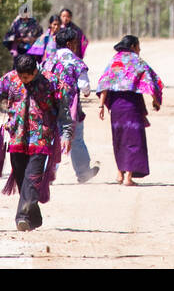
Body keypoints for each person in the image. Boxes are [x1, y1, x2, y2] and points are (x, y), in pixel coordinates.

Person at [0, 52, 73, 231]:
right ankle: (34, 216)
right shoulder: (11, 78)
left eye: (27, 77)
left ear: (35, 70)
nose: (24, 80)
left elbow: (64, 111)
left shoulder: (51, 81)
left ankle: (22, 217)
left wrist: (67, 134)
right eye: (21, 76)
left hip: (41, 138)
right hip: (16, 136)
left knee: (32, 178)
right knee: (21, 178)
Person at [96, 34, 163, 186]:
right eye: (138, 46)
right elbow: (151, 83)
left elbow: (104, 83)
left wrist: (101, 105)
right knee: (133, 140)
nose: (139, 50)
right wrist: (156, 100)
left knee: (119, 139)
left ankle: (120, 174)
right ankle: (128, 178)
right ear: (133, 46)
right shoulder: (137, 61)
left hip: (116, 107)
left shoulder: (114, 61)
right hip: (132, 106)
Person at [44, 25, 99, 183]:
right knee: (76, 139)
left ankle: (47, 175)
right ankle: (83, 173)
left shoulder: (48, 62)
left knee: (52, 139)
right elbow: (84, 87)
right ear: (69, 44)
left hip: (50, 106)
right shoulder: (77, 63)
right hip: (70, 107)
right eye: (75, 43)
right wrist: (86, 92)